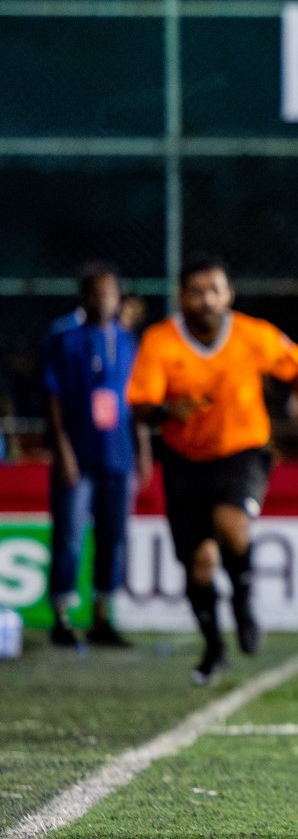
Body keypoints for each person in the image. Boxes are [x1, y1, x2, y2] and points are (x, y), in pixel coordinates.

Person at [125, 253, 298, 685]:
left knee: (232, 526)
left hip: (243, 451)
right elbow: (140, 409)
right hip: (184, 460)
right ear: (181, 297)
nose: (206, 300)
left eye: (214, 290)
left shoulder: (252, 336)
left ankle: (242, 599)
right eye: (196, 292)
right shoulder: (161, 341)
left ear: (228, 294)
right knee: (199, 563)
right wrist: (165, 411)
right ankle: (214, 648)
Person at [40, 264, 151, 648]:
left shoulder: (126, 340)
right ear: (84, 296)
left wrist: (143, 450)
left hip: (118, 456)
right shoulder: (64, 338)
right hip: (79, 455)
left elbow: (135, 400)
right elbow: (52, 397)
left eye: (111, 293)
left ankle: (103, 616)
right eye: (98, 293)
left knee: (113, 537)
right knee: (70, 535)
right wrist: (64, 450)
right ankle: (62, 617)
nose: (105, 300)